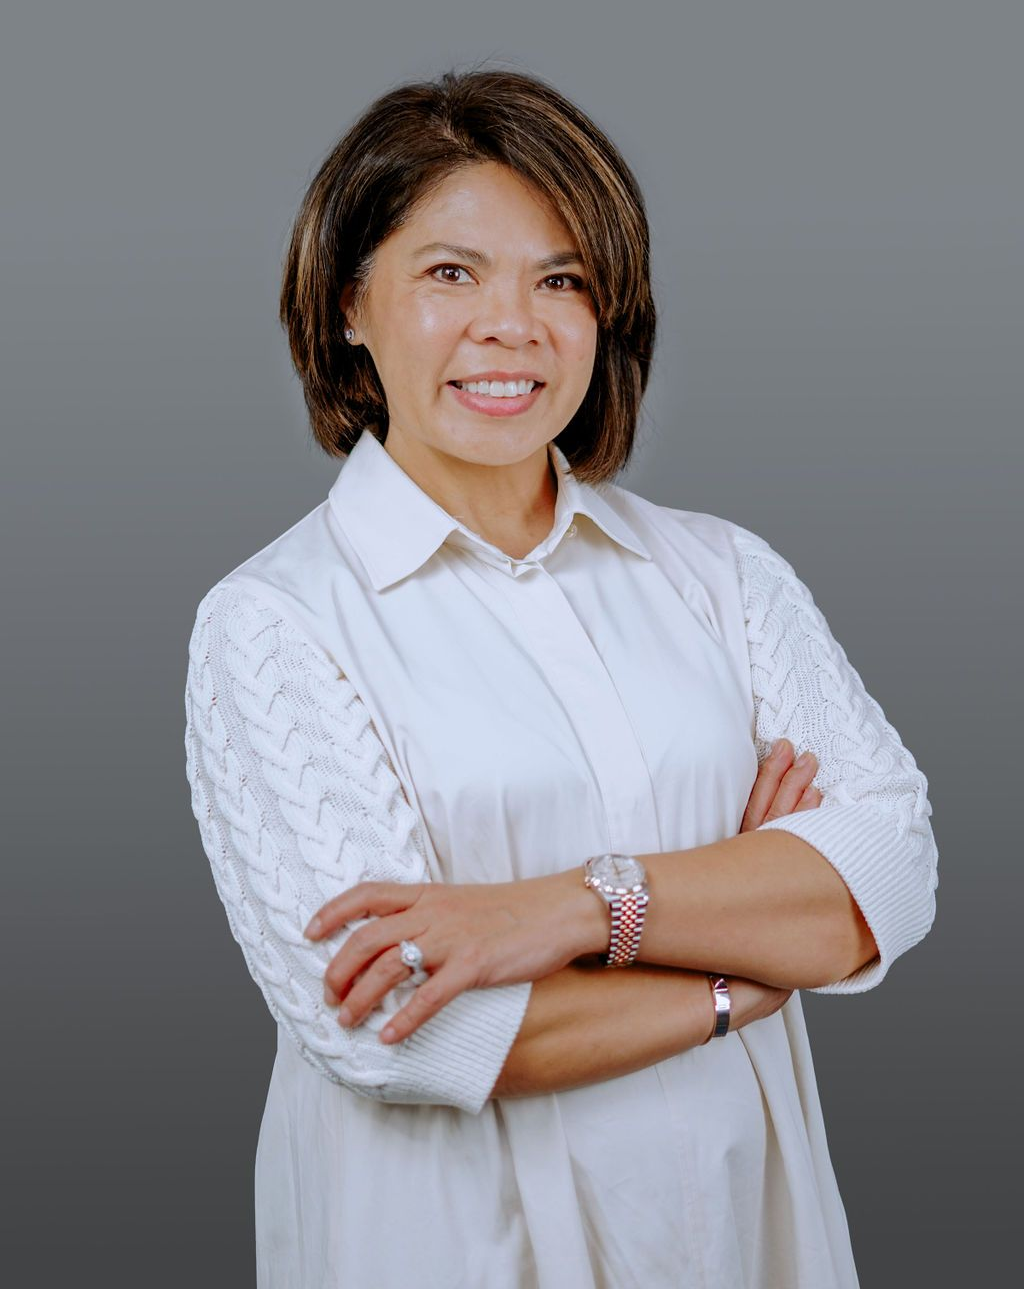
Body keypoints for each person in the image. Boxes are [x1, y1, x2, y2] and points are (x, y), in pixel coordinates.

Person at [184, 65, 938, 1288]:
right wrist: (751, 968)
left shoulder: (720, 573)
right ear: (346, 307)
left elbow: (889, 874)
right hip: (446, 1241)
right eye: (449, 272)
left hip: (735, 1224)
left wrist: (565, 909)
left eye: (561, 279)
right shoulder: (272, 624)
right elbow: (404, 1034)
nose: (511, 325)